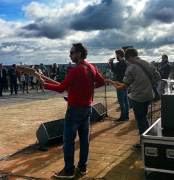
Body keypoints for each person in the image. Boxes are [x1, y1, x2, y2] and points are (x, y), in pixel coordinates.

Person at [37, 43, 105, 178]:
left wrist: (44, 85)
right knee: (84, 140)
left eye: (72, 52)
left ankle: (68, 170)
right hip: (87, 108)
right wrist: (87, 88)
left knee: (68, 141)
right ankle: (82, 167)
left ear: (79, 53)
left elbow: (61, 88)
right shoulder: (91, 67)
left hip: (74, 109)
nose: (70, 55)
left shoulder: (75, 70)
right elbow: (102, 82)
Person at [113, 47, 161, 149]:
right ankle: (148, 137)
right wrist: (147, 85)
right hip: (149, 95)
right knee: (144, 117)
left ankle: (143, 143)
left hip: (138, 97)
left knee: (140, 119)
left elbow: (126, 84)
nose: (128, 60)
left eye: (128, 58)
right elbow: (158, 78)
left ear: (129, 56)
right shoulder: (148, 63)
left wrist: (118, 86)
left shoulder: (131, 67)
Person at [109, 49, 130, 123]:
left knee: (121, 101)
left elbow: (115, 71)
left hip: (119, 83)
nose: (116, 56)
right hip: (126, 83)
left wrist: (111, 63)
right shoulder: (127, 62)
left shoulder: (120, 63)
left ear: (118, 55)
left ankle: (122, 117)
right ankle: (126, 116)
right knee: (126, 100)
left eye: (116, 55)